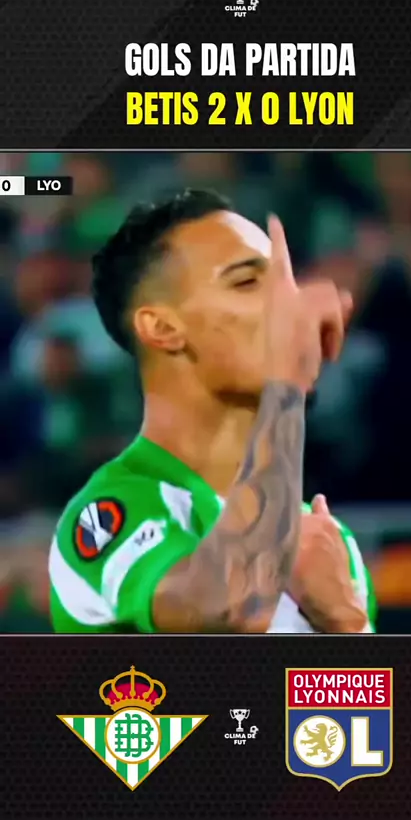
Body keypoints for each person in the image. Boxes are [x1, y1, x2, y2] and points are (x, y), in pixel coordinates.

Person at [48, 190, 376, 633]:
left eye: (286, 283)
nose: (289, 307)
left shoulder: (329, 544)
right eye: (247, 282)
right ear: (162, 328)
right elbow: (236, 602)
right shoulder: (111, 512)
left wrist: (349, 624)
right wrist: (287, 383)